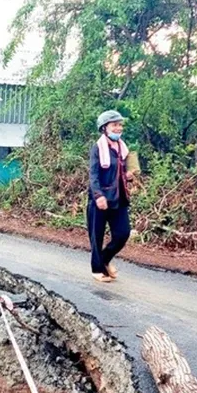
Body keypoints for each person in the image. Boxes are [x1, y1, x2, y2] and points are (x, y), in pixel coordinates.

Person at [87, 110, 134, 283]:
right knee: (96, 235)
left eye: (120, 125)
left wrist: (130, 174)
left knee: (123, 233)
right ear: (104, 128)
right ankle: (97, 269)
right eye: (114, 125)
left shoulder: (123, 148)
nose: (118, 128)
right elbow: (93, 175)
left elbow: (129, 169)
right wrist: (98, 195)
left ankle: (105, 259)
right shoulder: (98, 148)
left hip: (119, 198)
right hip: (100, 198)